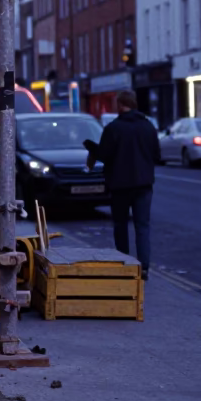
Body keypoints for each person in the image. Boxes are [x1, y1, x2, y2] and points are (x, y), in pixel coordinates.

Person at [87, 90, 159, 280]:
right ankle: (143, 267)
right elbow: (157, 155)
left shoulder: (113, 128)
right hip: (143, 184)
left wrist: (92, 148)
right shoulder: (148, 127)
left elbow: (104, 154)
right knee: (142, 226)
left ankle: (124, 262)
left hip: (119, 185)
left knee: (120, 225)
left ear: (120, 105)